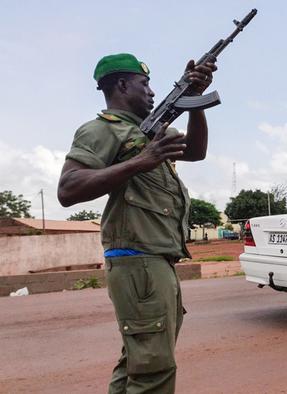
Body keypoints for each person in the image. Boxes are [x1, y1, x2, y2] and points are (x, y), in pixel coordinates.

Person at [58, 53, 217, 393]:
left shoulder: (150, 132)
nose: (151, 91)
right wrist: (142, 161)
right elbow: (68, 189)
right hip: (138, 261)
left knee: (139, 361)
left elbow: (196, 151)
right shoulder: (101, 130)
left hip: (155, 261)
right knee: (153, 371)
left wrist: (195, 102)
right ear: (122, 85)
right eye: (144, 84)